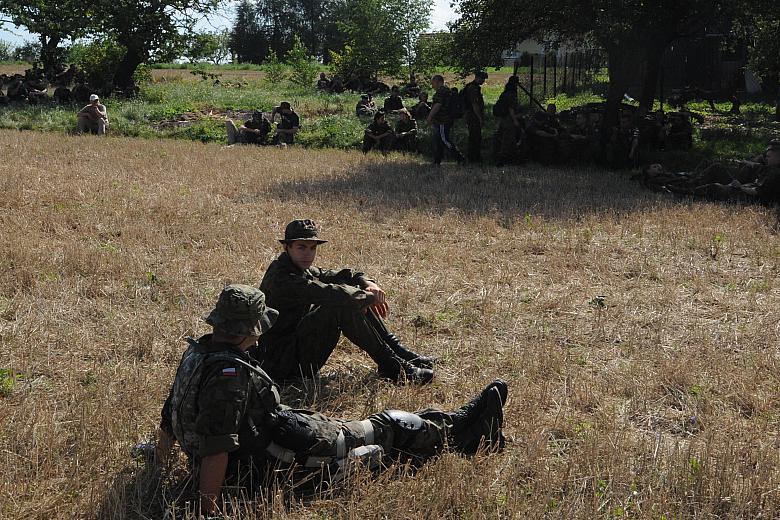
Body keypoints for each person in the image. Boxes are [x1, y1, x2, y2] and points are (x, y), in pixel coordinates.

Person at [156, 284, 508, 516]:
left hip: (274, 439)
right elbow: (218, 446)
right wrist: (207, 509)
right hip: (273, 463)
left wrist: (161, 462)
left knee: (378, 429)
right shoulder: (228, 378)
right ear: (251, 329)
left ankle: (459, 423)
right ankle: (461, 436)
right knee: (385, 431)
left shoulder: (199, 354)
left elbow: (169, 415)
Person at [253, 219, 435, 384]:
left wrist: (366, 283)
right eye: (301, 247)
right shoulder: (281, 278)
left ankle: (399, 353)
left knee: (347, 291)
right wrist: (366, 298)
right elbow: (327, 293)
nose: (308, 254)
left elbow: (336, 276)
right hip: (281, 364)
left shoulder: (297, 267)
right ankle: (392, 366)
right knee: (341, 304)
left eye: (313, 248)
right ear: (287, 248)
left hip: (293, 350)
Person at [426, 75, 465, 165]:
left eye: (433, 83)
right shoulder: (447, 91)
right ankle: (437, 161)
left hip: (443, 120)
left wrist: (430, 117)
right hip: (444, 119)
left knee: (444, 140)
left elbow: (438, 105)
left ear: (438, 81)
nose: (432, 86)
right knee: (439, 140)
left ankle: (460, 158)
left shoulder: (441, 91)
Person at [493, 76, 522, 167]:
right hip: (508, 120)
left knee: (509, 140)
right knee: (507, 140)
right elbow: (511, 109)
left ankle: (516, 159)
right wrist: (515, 120)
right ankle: (501, 160)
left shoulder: (504, 93)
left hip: (503, 119)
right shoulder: (512, 94)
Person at [463, 71, 487, 163]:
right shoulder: (473, 88)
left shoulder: (472, 87)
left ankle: (474, 157)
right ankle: (474, 158)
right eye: (482, 78)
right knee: (475, 137)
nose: (483, 81)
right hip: (473, 116)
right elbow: (474, 104)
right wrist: (480, 118)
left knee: (475, 136)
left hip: (471, 115)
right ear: (477, 78)